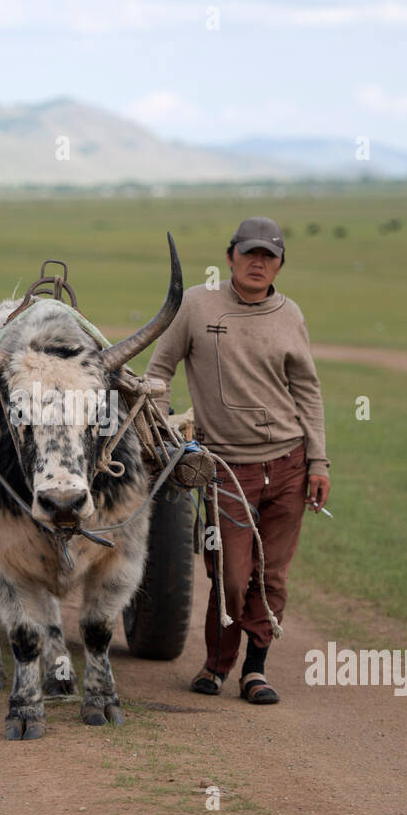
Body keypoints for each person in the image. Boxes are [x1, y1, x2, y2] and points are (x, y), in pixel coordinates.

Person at [145, 216, 330, 704]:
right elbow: (158, 372)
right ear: (230, 257)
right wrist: (169, 436)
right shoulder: (197, 306)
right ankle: (216, 664)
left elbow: (308, 392)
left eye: (268, 256)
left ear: (279, 265)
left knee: (272, 576)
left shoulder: (291, 316)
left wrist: (319, 462)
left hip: (289, 464)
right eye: (249, 253)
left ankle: (255, 668)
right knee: (229, 573)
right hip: (225, 468)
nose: (257, 262)